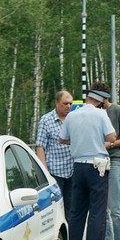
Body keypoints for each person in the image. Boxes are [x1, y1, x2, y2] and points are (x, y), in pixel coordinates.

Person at [58, 88, 117, 240]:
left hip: (78, 166)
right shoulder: (100, 115)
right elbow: (112, 137)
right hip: (97, 166)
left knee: (76, 213)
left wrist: (77, 140)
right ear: (99, 102)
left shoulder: (72, 115)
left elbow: (62, 139)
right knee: (97, 212)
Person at [89, 82, 120, 240]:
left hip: (113, 161)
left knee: (115, 207)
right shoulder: (94, 114)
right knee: (103, 208)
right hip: (98, 162)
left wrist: (112, 144)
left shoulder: (117, 110)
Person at [36, 90, 75, 221]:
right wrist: (44, 171)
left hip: (72, 172)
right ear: (57, 103)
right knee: (56, 209)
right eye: (65, 103)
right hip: (55, 173)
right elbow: (40, 146)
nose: (68, 106)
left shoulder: (74, 118)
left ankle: (72, 239)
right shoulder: (46, 120)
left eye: (71, 103)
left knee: (72, 210)